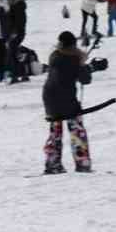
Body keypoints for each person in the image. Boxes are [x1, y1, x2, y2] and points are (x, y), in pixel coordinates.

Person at [41, 31, 94, 174]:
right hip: (67, 98)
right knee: (77, 130)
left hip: (49, 96)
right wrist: (84, 63)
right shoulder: (75, 58)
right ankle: (82, 163)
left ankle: (53, 163)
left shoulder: (54, 56)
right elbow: (85, 79)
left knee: (55, 131)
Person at [6, 0, 30, 82]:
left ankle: (15, 76)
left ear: (12, 0)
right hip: (17, 33)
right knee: (15, 54)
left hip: (16, 34)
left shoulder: (18, 8)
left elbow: (20, 21)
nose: (7, 2)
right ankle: (23, 74)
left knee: (13, 54)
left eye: (8, 0)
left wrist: (14, 32)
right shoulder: (16, 7)